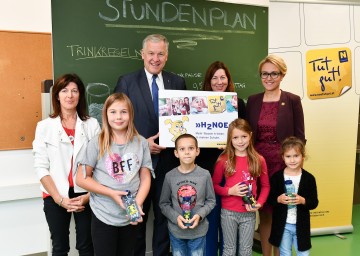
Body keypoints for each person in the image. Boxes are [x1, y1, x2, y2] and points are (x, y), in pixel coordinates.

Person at [114, 34, 186, 256]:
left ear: (167, 56)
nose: (156, 58)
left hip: (168, 164)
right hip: (136, 164)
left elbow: (184, 122)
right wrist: (142, 143)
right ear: (142, 54)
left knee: (164, 218)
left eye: (161, 54)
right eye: (151, 53)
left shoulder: (178, 82)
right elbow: (115, 122)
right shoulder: (126, 81)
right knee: (137, 218)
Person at [75, 93, 152, 256]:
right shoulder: (97, 142)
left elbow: (145, 177)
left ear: (131, 114)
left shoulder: (141, 143)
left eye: (124, 112)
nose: (119, 117)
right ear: (105, 114)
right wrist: (111, 193)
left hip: (130, 213)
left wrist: (137, 204)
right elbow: (82, 178)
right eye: (113, 112)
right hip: (103, 213)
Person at [32, 73, 100, 255]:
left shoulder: (92, 125)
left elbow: (99, 164)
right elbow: (41, 167)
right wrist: (59, 199)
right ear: (57, 95)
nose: (69, 95)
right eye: (64, 90)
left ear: (80, 95)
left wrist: (88, 195)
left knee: (87, 245)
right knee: (60, 246)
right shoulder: (44, 126)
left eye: (74, 91)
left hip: (85, 193)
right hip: (55, 194)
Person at [246, 54, 305, 256]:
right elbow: (247, 135)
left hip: (283, 165)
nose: (269, 78)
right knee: (264, 214)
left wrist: (295, 168)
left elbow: (300, 137)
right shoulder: (252, 101)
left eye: (274, 73)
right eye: (265, 73)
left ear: (282, 75)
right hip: (259, 163)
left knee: (282, 213)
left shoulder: (292, 101)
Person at [197, 60, 247, 256]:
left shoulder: (238, 104)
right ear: (209, 81)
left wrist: (228, 143)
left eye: (223, 77)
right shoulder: (198, 106)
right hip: (206, 168)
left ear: (228, 79)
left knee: (229, 220)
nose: (219, 81)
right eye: (214, 77)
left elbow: (245, 136)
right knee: (209, 219)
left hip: (232, 169)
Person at [212, 118, 270, 256]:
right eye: (236, 137)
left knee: (245, 250)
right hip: (228, 213)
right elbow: (214, 185)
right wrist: (230, 191)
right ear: (230, 139)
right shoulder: (223, 160)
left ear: (250, 135)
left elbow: (266, 186)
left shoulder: (258, 159)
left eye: (244, 136)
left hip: (249, 214)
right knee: (229, 249)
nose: (240, 141)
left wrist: (260, 204)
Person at [159, 134, 216, 256]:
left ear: (197, 151)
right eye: (182, 149)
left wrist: (200, 215)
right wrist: (175, 218)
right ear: (176, 153)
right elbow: (164, 204)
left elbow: (211, 201)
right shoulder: (170, 176)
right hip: (176, 232)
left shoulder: (205, 175)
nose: (187, 152)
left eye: (190, 148)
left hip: (198, 232)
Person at [268, 137, 318, 256]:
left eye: (296, 156)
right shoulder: (276, 177)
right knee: (285, 253)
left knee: (304, 253)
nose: (292, 160)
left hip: (301, 225)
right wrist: (278, 199)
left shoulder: (309, 179)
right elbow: (270, 199)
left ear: (302, 157)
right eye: (288, 156)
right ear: (283, 157)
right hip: (283, 225)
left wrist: (303, 200)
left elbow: (314, 202)